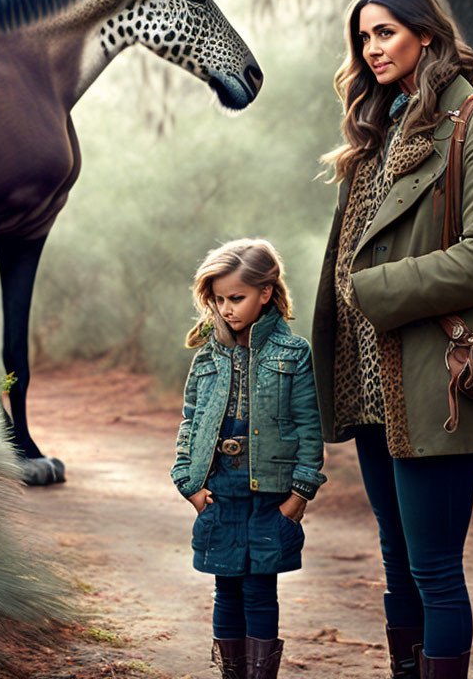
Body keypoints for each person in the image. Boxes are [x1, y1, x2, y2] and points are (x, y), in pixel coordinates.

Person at [313, 0, 473, 679]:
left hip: (439, 380)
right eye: (363, 37)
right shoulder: (379, 126)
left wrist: (376, 292)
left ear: (426, 33)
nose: (371, 47)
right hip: (369, 385)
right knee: (398, 561)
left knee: (436, 571)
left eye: (385, 32)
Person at [171, 239, 326, 679]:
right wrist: (189, 484)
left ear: (266, 292)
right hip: (219, 493)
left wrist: (300, 494)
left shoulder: (293, 354)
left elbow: (308, 426)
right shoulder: (206, 358)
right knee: (226, 591)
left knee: (260, 591)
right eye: (218, 300)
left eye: (236, 298)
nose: (226, 309)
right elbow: (189, 422)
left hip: (270, 496)